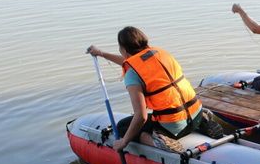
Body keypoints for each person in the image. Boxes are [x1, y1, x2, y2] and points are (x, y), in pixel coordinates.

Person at [87, 26, 221, 153]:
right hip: (195, 112)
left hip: (174, 124)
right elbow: (130, 61)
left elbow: (141, 117)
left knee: (122, 127)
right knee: (178, 110)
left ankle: (157, 141)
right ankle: (202, 121)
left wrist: (124, 142)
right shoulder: (161, 54)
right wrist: (101, 53)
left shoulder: (132, 75)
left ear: (124, 50)